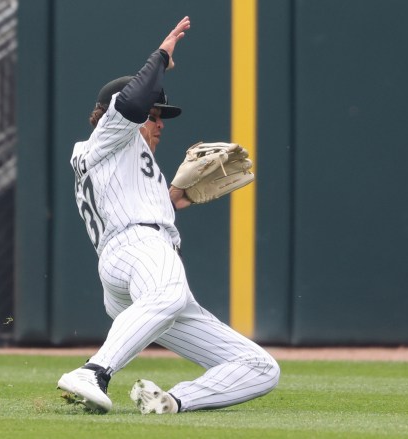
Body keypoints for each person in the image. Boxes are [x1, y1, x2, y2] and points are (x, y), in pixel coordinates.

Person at [57, 16, 280, 414]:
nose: (160, 123)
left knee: (260, 367)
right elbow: (129, 102)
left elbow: (143, 200)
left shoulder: (121, 157)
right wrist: (161, 55)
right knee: (169, 293)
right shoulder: (111, 134)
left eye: (160, 116)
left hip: (133, 264)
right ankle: (93, 372)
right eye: (155, 114)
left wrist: (175, 196)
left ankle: (170, 402)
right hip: (137, 249)